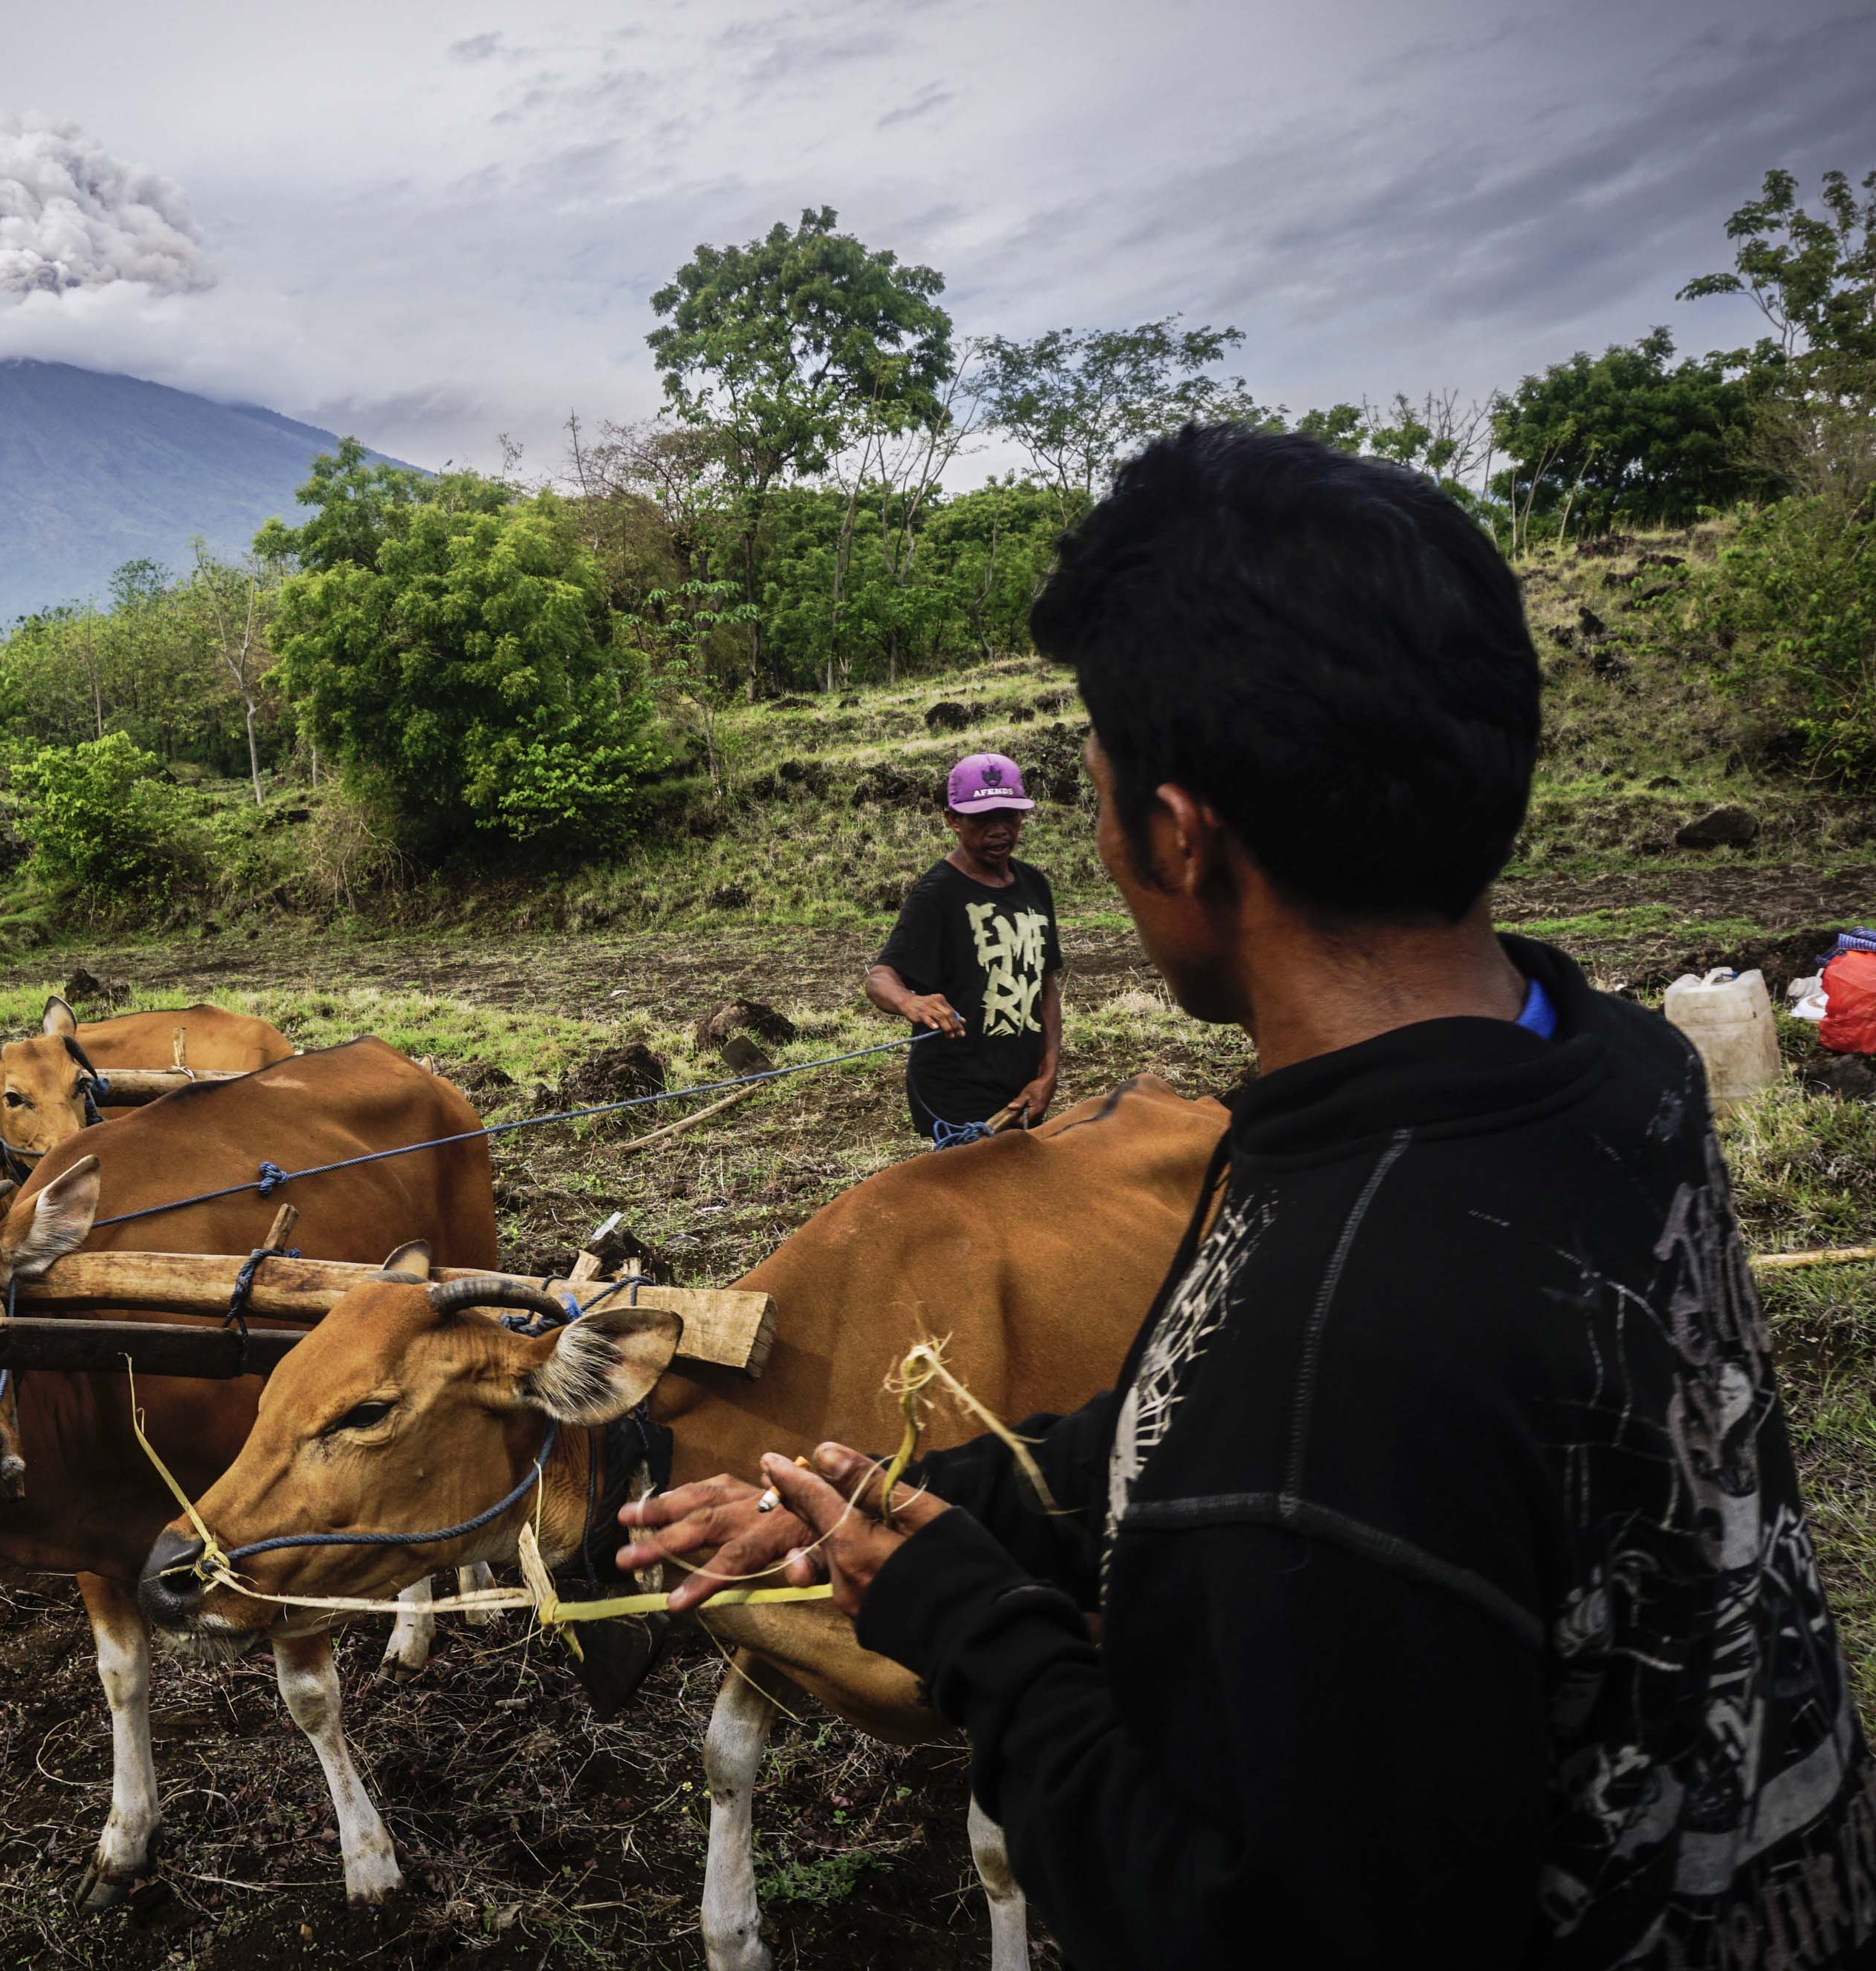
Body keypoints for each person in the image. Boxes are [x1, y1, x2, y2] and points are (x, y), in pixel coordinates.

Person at [623, 426, 1873, 1968]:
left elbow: (1229, 1919)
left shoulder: (1335, 1355)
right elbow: (1177, 1424)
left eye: (1087, 793)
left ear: (1170, 836)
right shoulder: (1607, 1065)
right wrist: (922, 1497)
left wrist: (956, 1614)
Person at [865, 753, 1064, 1145]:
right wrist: (911, 1002)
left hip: (1022, 1086)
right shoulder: (937, 895)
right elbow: (879, 978)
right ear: (953, 820)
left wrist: (1047, 1075)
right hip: (957, 1091)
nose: (999, 830)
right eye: (982, 818)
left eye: (1009, 816)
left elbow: (1046, 985)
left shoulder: (1033, 884)